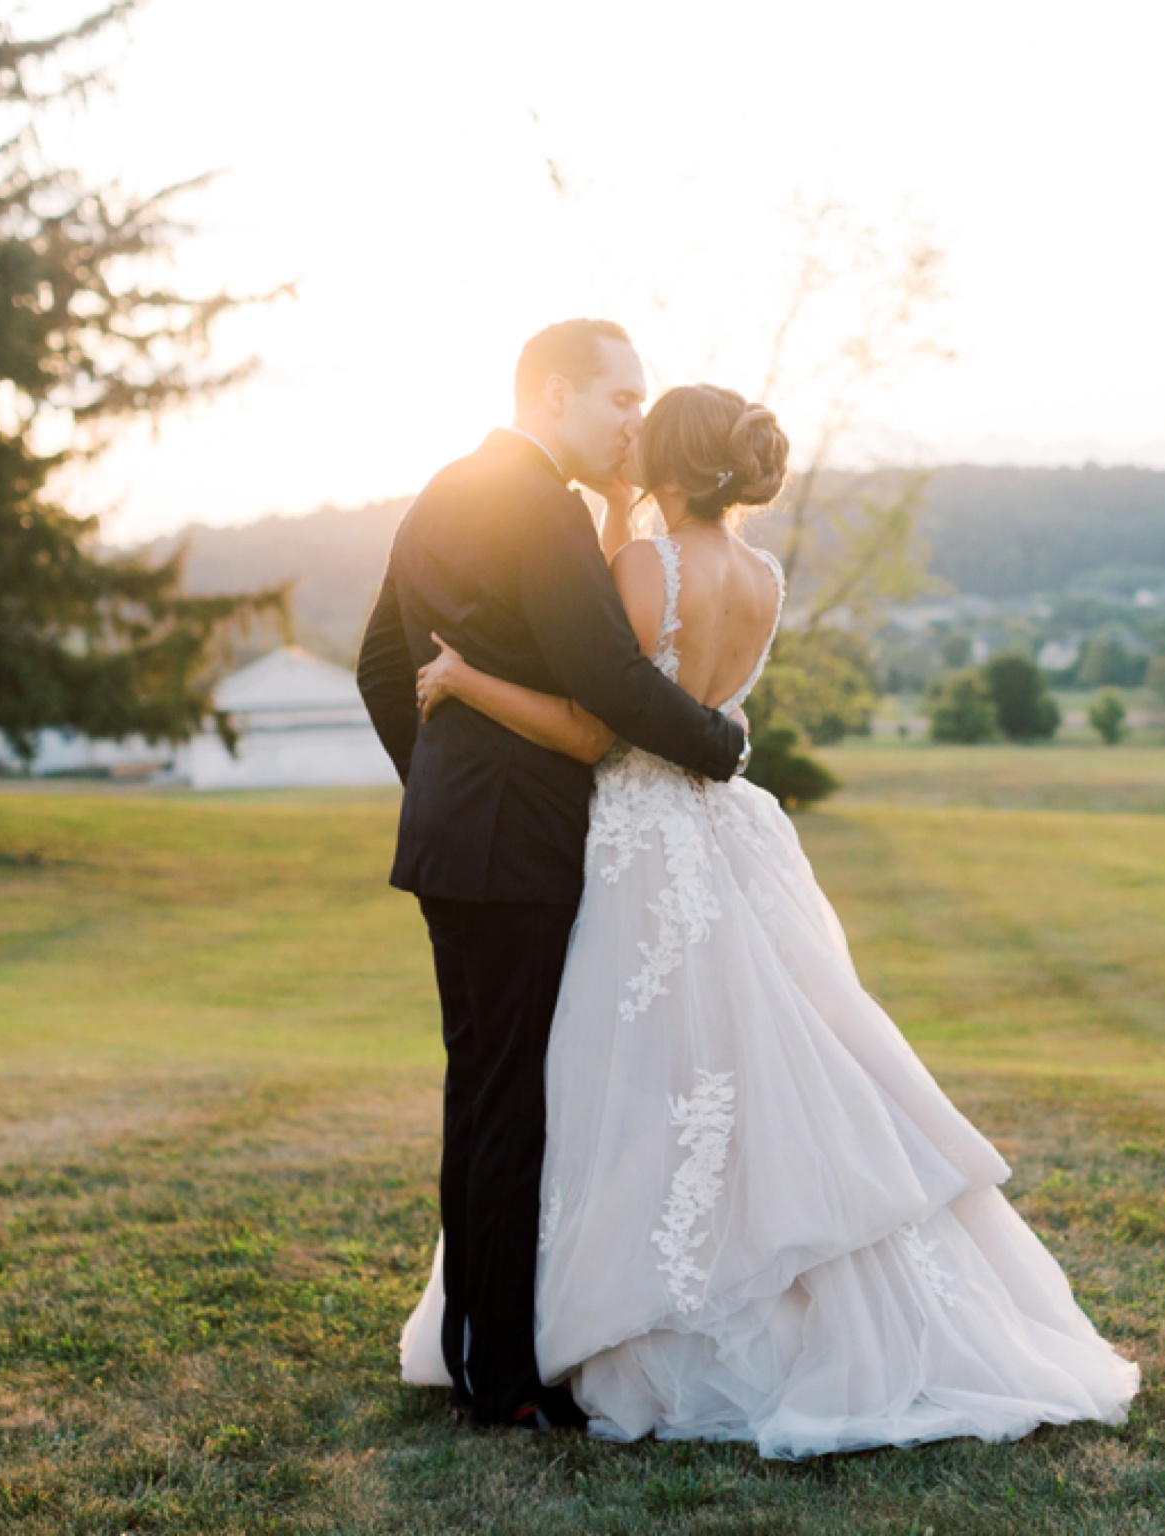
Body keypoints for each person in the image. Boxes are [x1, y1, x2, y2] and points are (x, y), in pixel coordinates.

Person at [397, 382, 1140, 1457]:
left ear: (665, 464)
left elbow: (597, 717)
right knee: (753, 1066)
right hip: (727, 833)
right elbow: (686, 687)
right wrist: (621, 520)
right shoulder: (762, 576)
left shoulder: (640, 565)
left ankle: (615, 1317)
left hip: (642, 843)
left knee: (629, 1083)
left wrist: (465, 676)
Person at [356, 321, 748, 1431]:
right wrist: (719, 746)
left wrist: (439, 783)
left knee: (478, 1093)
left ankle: (480, 1356)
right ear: (556, 394)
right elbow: (605, 673)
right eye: (619, 399)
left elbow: (380, 663)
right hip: (517, 838)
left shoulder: (446, 487)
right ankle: (503, 1382)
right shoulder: (539, 505)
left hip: (458, 835)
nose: (635, 420)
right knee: (511, 1102)